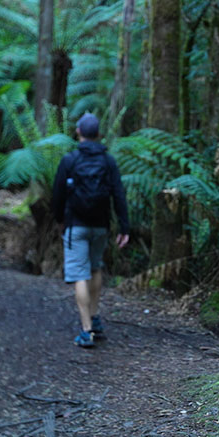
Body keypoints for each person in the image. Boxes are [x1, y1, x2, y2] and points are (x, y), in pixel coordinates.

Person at [51, 113, 130, 348]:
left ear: (78, 132)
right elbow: (119, 194)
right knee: (95, 268)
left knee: (79, 275)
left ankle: (86, 331)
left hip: (76, 225)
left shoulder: (70, 160)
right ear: (99, 135)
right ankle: (95, 316)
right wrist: (124, 226)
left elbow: (58, 195)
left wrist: (59, 220)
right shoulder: (108, 161)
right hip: (101, 226)